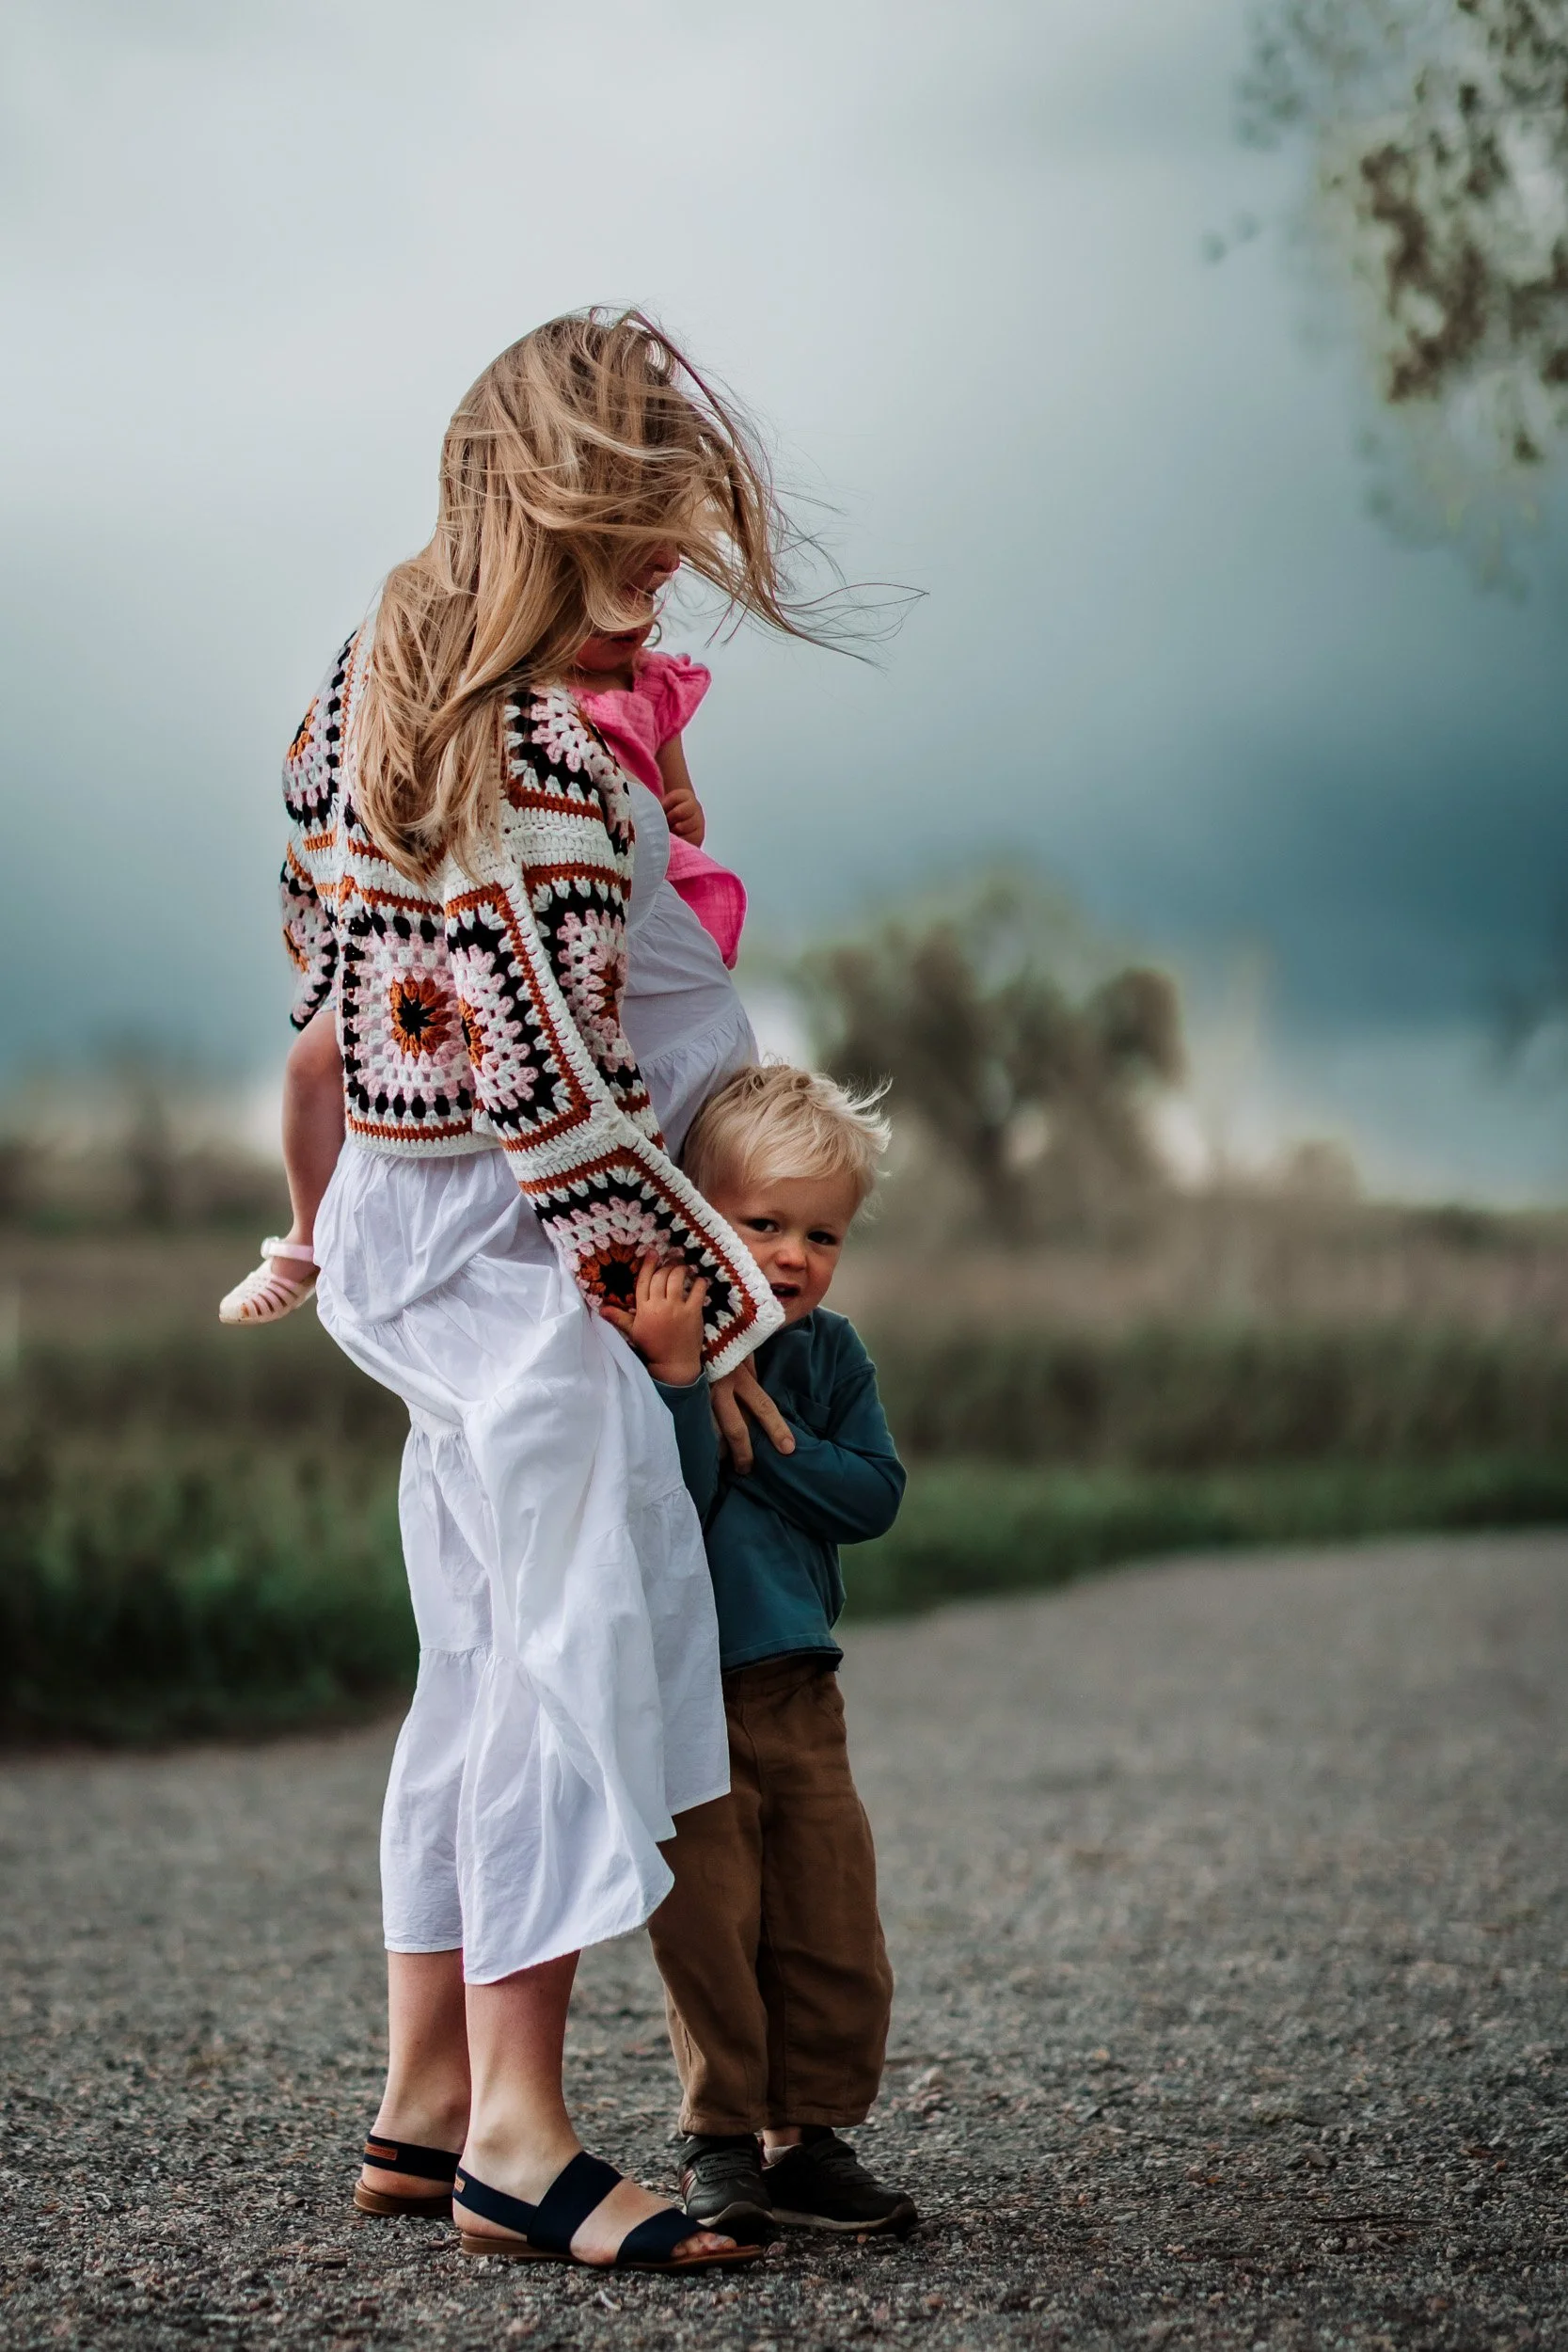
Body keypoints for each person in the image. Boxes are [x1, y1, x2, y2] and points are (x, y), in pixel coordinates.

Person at [266, 310, 837, 2274]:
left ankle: (424, 2096)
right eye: (639, 530)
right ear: (545, 507)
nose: (667, 568)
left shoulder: (385, 677)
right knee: (564, 1645)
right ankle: (520, 2124)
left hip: (419, 1233)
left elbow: (326, 982)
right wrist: (692, 1300)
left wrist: (314, 1208)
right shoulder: (519, 752)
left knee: (479, 1637)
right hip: (521, 1252)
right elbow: (541, 1082)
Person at [603, 1063, 919, 2245]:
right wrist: (687, 1383)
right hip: (681, 1689)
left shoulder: (828, 1357)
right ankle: (723, 2138)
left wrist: (764, 1436)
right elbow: (664, 1506)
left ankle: (812, 2138)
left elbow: (873, 1495)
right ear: (693, 1211)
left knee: (829, 1917)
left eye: (821, 1232)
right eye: (763, 1222)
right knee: (710, 1919)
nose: (792, 1255)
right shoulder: (653, 1340)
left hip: (796, 1687)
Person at [219, 612, 740, 1327]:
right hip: (436, 922)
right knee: (314, 1057)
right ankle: (304, 1237)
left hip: (589, 915)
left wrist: (683, 809)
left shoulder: (652, 684)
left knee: (561, 1075)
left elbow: (676, 804)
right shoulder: (506, 686)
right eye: (600, 609)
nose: (632, 621)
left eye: (644, 600)